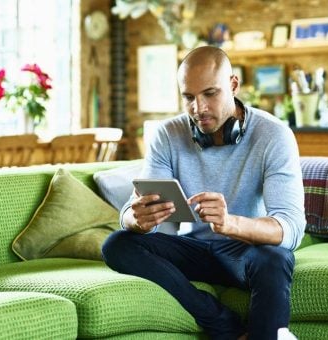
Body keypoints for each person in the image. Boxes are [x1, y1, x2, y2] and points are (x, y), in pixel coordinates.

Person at [102, 46, 305, 340]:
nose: (198, 108)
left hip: (243, 250)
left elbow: (291, 228)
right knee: (118, 244)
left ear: (233, 85)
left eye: (210, 93)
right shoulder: (167, 134)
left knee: (276, 259)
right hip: (190, 249)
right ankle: (223, 323)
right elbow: (133, 213)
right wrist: (138, 219)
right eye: (188, 97)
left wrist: (230, 223)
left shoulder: (273, 135)